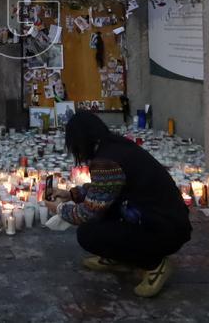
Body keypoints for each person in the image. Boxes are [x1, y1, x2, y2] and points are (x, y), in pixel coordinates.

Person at [48, 110, 192, 298]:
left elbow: (86, 213)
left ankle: (155, 264)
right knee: (105, 215)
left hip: (163, 228)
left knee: (88, 233)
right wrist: (71, 194)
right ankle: (118, 257)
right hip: (165, 220)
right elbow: (107, 188)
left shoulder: (106, 161)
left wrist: (59, 209)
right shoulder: (115, 146)